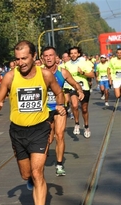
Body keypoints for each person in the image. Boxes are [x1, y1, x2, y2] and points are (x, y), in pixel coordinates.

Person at [0, 40, 66, 205]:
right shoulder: (10, 77)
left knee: (38, 172)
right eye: (17, 59)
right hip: (17, 131)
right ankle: (31, 181)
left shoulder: (45, 75)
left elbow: (60, 94)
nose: (21, 63)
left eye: (24, 58)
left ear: (34, 56)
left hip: (40, 129)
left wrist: (60, 106)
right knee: (26, 175)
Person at [41, 46, 84, 176]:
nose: (48, 58)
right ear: (42, 58)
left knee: (60, 135)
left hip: (59, 107)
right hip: (45, 108)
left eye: (51, 55)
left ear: (56, 57)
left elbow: (75, 83)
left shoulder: (63, 72)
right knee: (48, 139)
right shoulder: (38, 72)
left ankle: (59, 165)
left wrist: (79, 90)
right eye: (46, 56)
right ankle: (41, 160)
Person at [65, 46, 95, 138]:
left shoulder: (84, 63)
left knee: (84, 109)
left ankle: (86, 126)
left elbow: (92, 75)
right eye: (71, 53)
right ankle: (77, 123)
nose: (73, 55)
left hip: (84, 87)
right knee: (74, 105)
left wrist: (82, 72)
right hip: (73, 87)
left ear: (78, 54)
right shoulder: (67, 64)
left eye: (75, 53)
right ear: (69, 55)